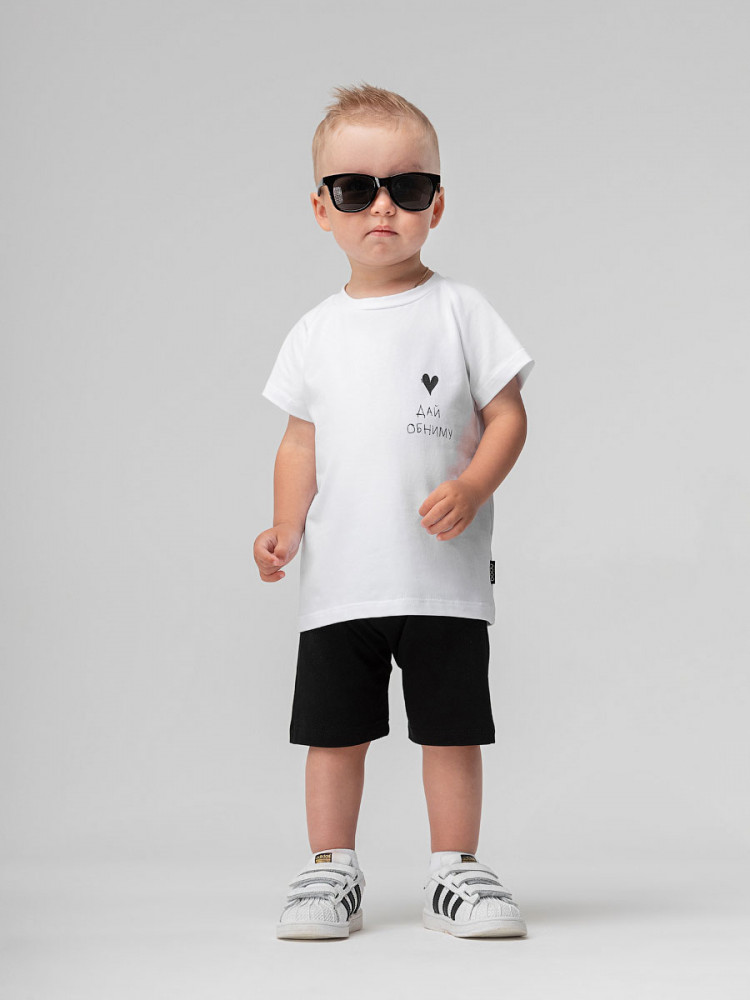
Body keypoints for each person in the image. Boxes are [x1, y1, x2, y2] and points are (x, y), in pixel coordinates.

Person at [254, 83, 535, 940]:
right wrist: (286, 526)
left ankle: (456, 871)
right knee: (333, 735)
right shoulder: (315, 332)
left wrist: (474, 486)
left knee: (451, 732)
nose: (383, 207)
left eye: (407, 188)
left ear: (435, 205)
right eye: (355, 189)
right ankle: (329, 869)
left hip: (441, 580)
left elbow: (508, 415)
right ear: (321, 209)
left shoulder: (461, 311)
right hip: (342, 579)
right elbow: (299, 442)